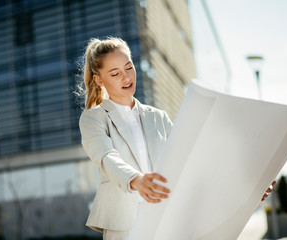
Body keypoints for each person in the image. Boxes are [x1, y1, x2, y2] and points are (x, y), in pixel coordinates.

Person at [78, 37, 275, 240]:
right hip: (125, 225)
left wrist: (249, 185)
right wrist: (136, 180)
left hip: (166, 218)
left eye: (129, 67)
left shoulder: (157, 116)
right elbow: (106, 157)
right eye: (115, 73)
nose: (126, 77)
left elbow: (190, 160)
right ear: (98, 80)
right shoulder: (93, 118)